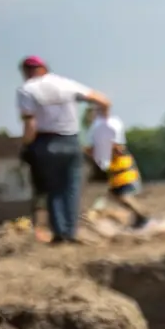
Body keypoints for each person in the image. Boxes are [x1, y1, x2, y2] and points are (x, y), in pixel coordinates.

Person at [16, 56, 110, 244]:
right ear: (44, 68)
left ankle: (60, 234)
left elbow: (30, 124)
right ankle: (71, 232)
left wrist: (26, 145)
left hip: (45, 142)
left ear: (26, 72)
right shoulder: (65, 84)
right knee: (71, 189)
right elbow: (103, 101)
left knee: (54, 189)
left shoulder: (27, 90)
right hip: (71, 140)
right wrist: (102, 127)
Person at [84, 106, 149, 229]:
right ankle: (139, 217)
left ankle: (143, 217)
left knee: (124, 196)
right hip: (114, 170)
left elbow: (116, 147)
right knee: (115, 195)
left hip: (122, 168)